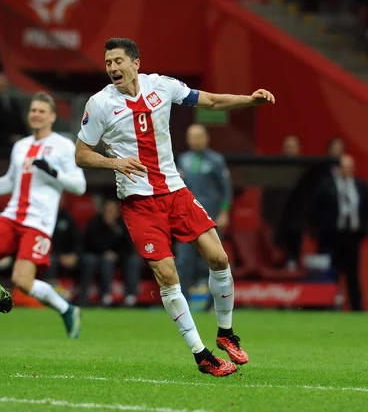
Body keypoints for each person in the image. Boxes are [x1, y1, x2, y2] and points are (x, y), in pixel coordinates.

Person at [74, 38, 275, 376]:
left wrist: (249, 100)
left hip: (175, 192)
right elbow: (81, 154)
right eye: (108, 62)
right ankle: (202, 355)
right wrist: (115, 163)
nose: (113, 68)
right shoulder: (99, 104)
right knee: (168, 275)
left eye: (119, 60)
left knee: (219, 258)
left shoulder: (162, 86)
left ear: (136, 63)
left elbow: (209, 100)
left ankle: (226, 334)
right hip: (139, 203)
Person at [0, 91, 86, 338]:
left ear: (52, 117)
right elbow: (9, 182)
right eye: (33, 110)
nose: (36, 114)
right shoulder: (20, 146)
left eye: (42, 111)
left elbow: (80, 186)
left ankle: (66, 309)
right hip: (12, 217)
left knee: (23, 281)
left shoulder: (64, 146)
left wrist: (54, 173)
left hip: (39, 223)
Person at [176, 124, 232, 301]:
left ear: (206, 138)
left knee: (211, 261)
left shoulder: (216, 160)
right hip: (186, 219)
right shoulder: (183, 160)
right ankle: (183, 300)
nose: (194, 140)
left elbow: (226, 189)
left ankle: (212, 302)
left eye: (198, 136)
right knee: (184, 260)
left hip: (210, 219)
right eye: (191, 136)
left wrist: (224, 212)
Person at [310, 154, 367, 311]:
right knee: (329, 274)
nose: (348, 170)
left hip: (352, 237)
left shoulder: (360, 185)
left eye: (351, 167)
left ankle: (357, 309)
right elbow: (315, 209)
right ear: (338, 168)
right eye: (345, 166)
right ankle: (325, 306)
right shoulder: (326, 185)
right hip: (331, 237)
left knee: (352, 276)